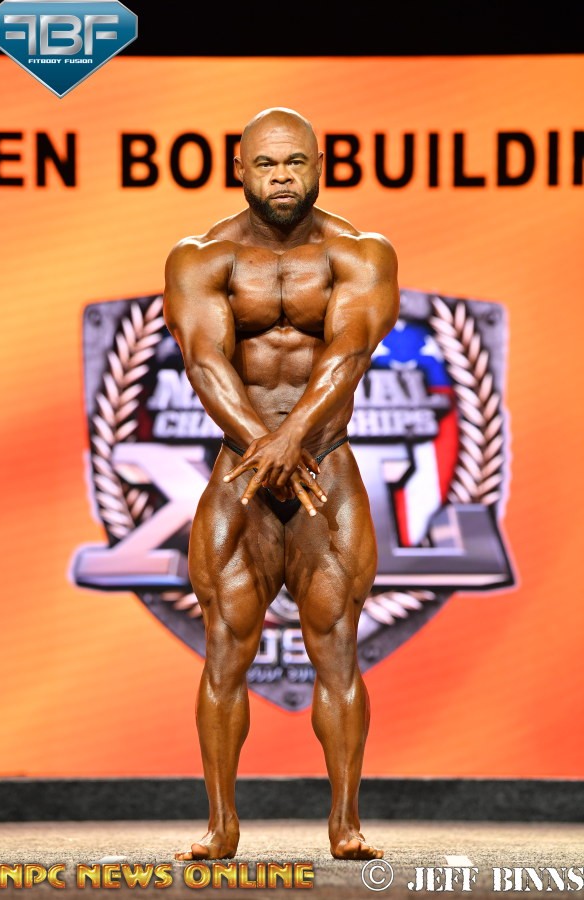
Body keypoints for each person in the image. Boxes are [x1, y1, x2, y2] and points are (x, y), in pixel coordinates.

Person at [162, 106, 400, 861]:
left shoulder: (360, 252)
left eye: (296, 162)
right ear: (240, 170)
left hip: (326, 470)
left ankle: (346, 824)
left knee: (337, 647)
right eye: (266, 164)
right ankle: (221, 825)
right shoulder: (201, 258)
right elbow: (204, 361)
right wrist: (269, 449)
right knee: (225, 648)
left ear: (320, 166)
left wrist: (293, 439)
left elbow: (350, 351)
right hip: (241, 474)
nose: (282, 177)